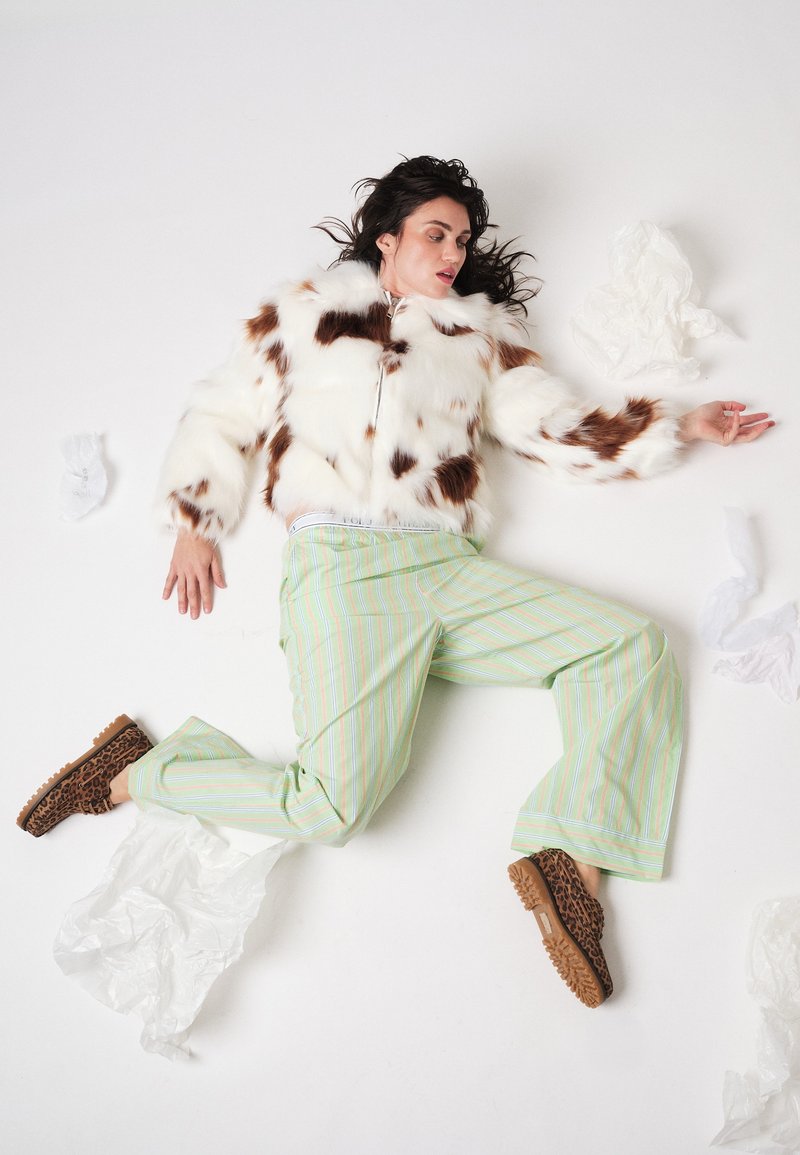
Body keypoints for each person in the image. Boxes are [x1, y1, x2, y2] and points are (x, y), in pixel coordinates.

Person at [17, 156, 773, 1008]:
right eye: (436, 234)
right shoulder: (303, 316)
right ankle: (140, 769)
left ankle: (572, 854)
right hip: (342, 569)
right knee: (332, 810)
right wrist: (195, 517)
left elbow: (554, 428)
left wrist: (680, 425)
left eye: (462, 239)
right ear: (389, 237)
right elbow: (223, 411)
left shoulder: (477, 339)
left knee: (629, 645)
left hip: (445, 570)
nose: (453, 252)